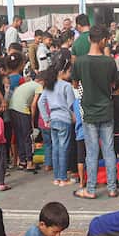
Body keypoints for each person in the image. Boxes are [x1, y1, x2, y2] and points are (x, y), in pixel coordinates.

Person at [72, 26, 119, 199]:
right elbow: (115, 86)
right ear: (102, 41)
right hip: (106, 110)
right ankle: (112, 188)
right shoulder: (109, 62)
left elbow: (75, 84)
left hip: (89, 111)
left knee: (91, 152)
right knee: (109, 150)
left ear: (88, 39)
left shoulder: (80, 62)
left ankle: (90, 189)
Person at [39, 54, 77, 186]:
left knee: (55, 148)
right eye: (68, 71)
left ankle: (56, 177)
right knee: (64, 148)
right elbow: (72, 105)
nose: (70, 74)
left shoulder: (49, 85)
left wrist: (46, 118)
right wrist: (74, 118)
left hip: (53, 119)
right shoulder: (66, 86)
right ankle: (63, 178)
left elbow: (40, 102)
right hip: (64, 119)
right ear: (62, 72)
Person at [8, 64, 41, 173]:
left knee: (19, 136)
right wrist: (32, 118)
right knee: (27, 136)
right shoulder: (38, 86)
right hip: (23, 110)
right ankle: (30, 162)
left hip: (12, 108)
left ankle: (22, 161)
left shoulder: (29, 84)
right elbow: (34, 104)